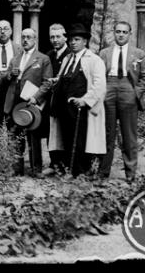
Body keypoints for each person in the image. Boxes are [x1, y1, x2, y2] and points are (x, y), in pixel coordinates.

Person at [48, 23, 107, 177]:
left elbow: (99, 85)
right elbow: (63, 77)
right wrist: (56, 81)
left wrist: (85, 100)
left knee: (80, 140)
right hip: (65, 108)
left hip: (82, 109)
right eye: (71, 40)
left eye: (77, 39)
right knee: (67, 138)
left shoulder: (94, 60)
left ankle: (80, 172)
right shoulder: (68, 59)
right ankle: (69, 169)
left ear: (85, 42)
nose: (73, 43)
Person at [98, 21, 145, 182]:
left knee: (129, 134)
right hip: (109, 87)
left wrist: (135, 94)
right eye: (118, 31)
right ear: (114, 33)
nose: (121, 35)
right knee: (107, 133)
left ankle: (130, 172)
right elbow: (99, 75)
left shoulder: (139, 54)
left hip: (128, 88)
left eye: (124, 32)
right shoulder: (104, 53)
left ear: (130, 34)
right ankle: (103, 171)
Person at [4, 28, 53, 176]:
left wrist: (36, 97)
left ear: (35, 40)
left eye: (29, 37)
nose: (25, 40)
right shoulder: (16, 58)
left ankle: (36, 169)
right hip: (14, 99)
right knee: (14, 135)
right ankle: (16, 168)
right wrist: (10, 75)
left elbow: (47, 82)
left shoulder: (43, 58)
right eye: (23, 37)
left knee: (33, 135)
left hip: (31, 101)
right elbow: (6, 78)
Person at [42, 23, 71, 176]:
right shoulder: (49, 55)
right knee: (51, 132)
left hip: (66, 99)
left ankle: (66, 165)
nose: (55, 40)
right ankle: (54, 163)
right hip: (52, 99)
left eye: (58, 36)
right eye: (52, 37)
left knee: (65, 131)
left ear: (65, 37)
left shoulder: (71, 54)